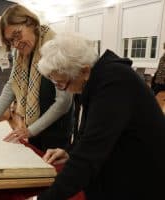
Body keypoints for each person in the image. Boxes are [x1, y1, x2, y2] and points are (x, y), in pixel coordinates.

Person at [27, 32, 165, 200]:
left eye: (62, 84)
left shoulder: (115, 83)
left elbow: (90, 154)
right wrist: (70, 152)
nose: (62, 89)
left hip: (141, 180)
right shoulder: (100, 78)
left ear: (84, 71)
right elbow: (89, 134)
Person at [0, 4, 74, 152]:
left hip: (56, 130)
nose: (16, 44)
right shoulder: (20, 52)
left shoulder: (56, 47)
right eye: (11, 40)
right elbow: (11, 85)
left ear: (30, 23)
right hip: (33, 125)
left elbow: (64, 102)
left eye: (17, 35)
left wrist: (31, 130)